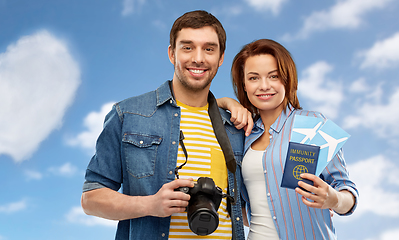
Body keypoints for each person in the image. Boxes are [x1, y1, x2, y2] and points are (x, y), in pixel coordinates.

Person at [81, 10, 252, 240]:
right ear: (172, 53)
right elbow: (91, 199)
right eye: (187, 47)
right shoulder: (128, 114)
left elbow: (249, 210)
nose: (198, 58)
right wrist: (150, 205)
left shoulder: (235, 127)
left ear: (221, 57)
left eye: (209, 49)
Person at [217, 39, 358, 240]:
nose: (264, 86)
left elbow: (348, 192)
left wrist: (333, 199)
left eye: (273, 76)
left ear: (287, 79)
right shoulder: (242, 135)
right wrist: (228, 102)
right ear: (244, 85)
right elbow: (197, 106)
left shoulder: (312, 124)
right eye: (254, 78)